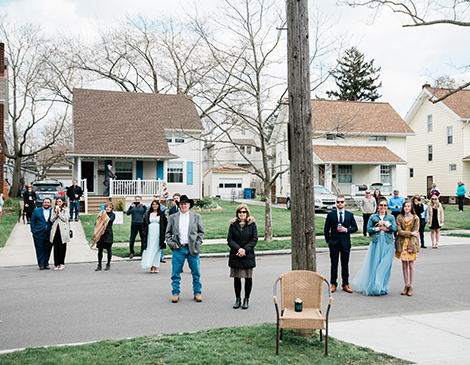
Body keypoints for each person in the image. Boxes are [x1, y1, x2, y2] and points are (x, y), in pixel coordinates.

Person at [352, 198, 397, 296]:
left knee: (385, 266)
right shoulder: (373, 217)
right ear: (378, 206)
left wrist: (385, 223)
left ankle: (383, 287)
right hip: (376, 242)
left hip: (388, 243)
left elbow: (394, 228)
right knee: (375, 264)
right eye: (381, 205)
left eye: (385, 205)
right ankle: (375, 286)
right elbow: (369, 229)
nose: (383, 207)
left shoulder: (391, 217)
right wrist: (379, 228)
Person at [165, 195, 204, 303]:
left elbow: (201, 232)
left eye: (185, 204)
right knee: (175, 273)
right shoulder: (173, 217)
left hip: (192, 249)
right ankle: (175, 293)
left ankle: (197, 292)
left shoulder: (196, 216)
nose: (183, 206)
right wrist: (171, 244)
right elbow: (168, 233)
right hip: (178, 248)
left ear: (189, 205)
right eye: (181, 204)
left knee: (196, 272)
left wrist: (198, 244)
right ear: (179, 205)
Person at [324, 195, 358, 293]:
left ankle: (345, 284)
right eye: (338, 202)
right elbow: (326, 229)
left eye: (342, 202)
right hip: (334, 243)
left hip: (345, 243)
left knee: (345, 265)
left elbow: (355, 228)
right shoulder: (331, 215)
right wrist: (328, 241)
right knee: (334, 264)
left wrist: (346, 229)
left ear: (345, 203)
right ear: (336, 203)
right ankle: (333, 284)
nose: (340, 203)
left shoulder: (349, 215)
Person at [227, 204, 258, 310]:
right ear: (237, 213)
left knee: (248, 278)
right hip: (236, 255)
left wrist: (244, 249)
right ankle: (238, 299)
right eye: (240, 212)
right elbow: (230, 240)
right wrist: (238, 249)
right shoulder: (233, 225)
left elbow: (254, 239)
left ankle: (246, 299)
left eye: (244, 212)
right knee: (237, 278)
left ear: (247, 213)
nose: (242, 214)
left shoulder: (252, 224)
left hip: (247, 255)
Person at [395, 200, 420, 296]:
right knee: (404, 265)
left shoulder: (415, 218)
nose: (407, 208)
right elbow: (399, 231)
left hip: (411, 244)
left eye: (408, 206)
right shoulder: (400, 217)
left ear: (411, 208)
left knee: (411, 265)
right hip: (402, 243)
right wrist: (410, 233)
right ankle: (406, 285)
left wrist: (411, 246)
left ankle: (411, 286)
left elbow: (416, 233)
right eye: (405, 206)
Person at [141, 201, 168, 273]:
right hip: (150, 233)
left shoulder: (161, 214)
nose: (155, 206)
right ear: (151, 206)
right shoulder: (148, 214)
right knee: (150, 248)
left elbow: (165, 224)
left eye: (156, 204)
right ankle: (152, 266)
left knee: (157, 249)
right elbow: (144, 225)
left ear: (158, 205)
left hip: (159, 233)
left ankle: (156, 266)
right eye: (153, 204)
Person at [30, 198, 53, 270]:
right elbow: (32, 221)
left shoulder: (53, 211)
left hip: (49, 233)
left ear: (50, 203)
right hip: (38, 233)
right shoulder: (37, 211)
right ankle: (41, 264)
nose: (46, 204)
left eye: (48, 202)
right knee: (40, 249)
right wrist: (33, 230)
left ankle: (46, 263)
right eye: (45, 202)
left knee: (48, 248)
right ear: (42, 203)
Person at [50, 197, 70, 270]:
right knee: (56, 248)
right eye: (57, 202)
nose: (58, 203)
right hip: (55, 230)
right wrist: (55, 213)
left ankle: (62, 263)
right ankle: (56, 263)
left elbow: (65, 219)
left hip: (63, 231)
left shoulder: (66, 209)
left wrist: (59, 213)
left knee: (62, 248)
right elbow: (51, 220)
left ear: (62, 202)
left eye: (60, 202)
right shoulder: (53, 209)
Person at [94, 202, 115, 271]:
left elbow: (109, 221)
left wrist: (104, 215)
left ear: (111, 208)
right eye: (107, 207)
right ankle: (99, 265)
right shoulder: (101, 214)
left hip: (108, 234)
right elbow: (97, 223)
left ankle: (108, 263)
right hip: (101, 234)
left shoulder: (112, 215)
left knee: (109, 249)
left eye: (109, 207)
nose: (108, 208)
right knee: (100, 250)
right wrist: (100, 216)